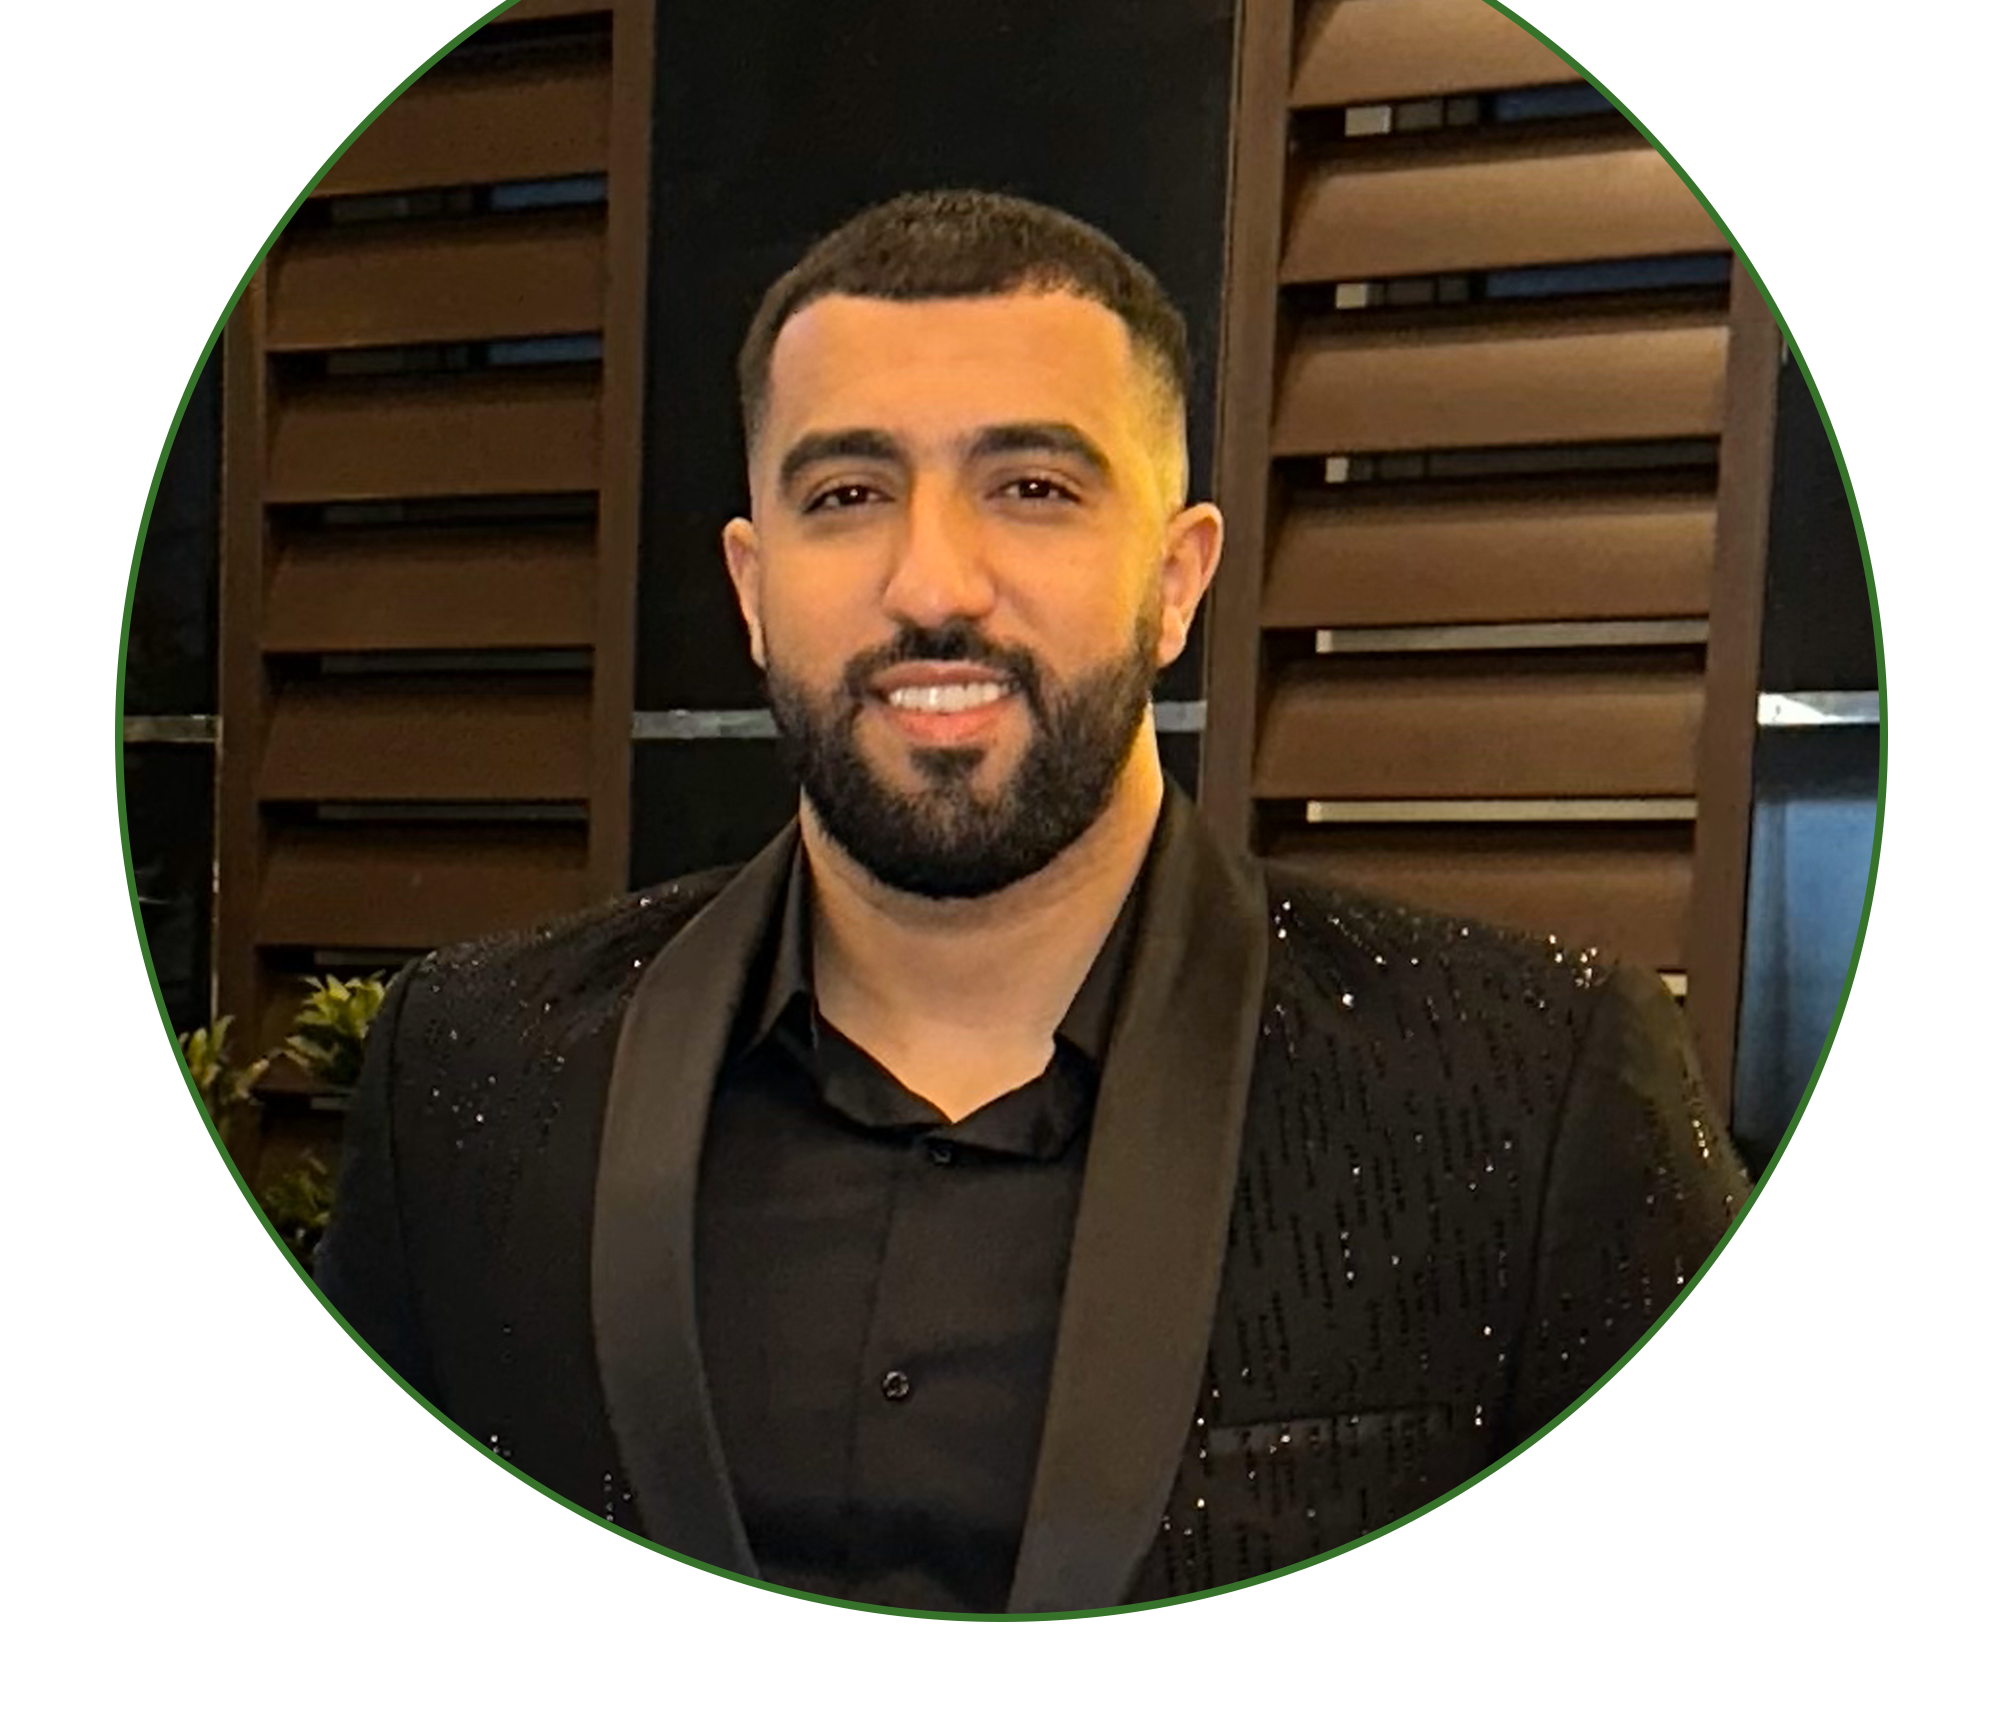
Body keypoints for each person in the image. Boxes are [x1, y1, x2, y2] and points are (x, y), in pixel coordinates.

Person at [256, 190, 1840, 1621]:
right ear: (751, 586)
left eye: (1029, 486)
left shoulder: (1529, 1088)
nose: (934, 583)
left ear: (1178, 576)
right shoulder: (478, 1074)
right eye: (847, 493)